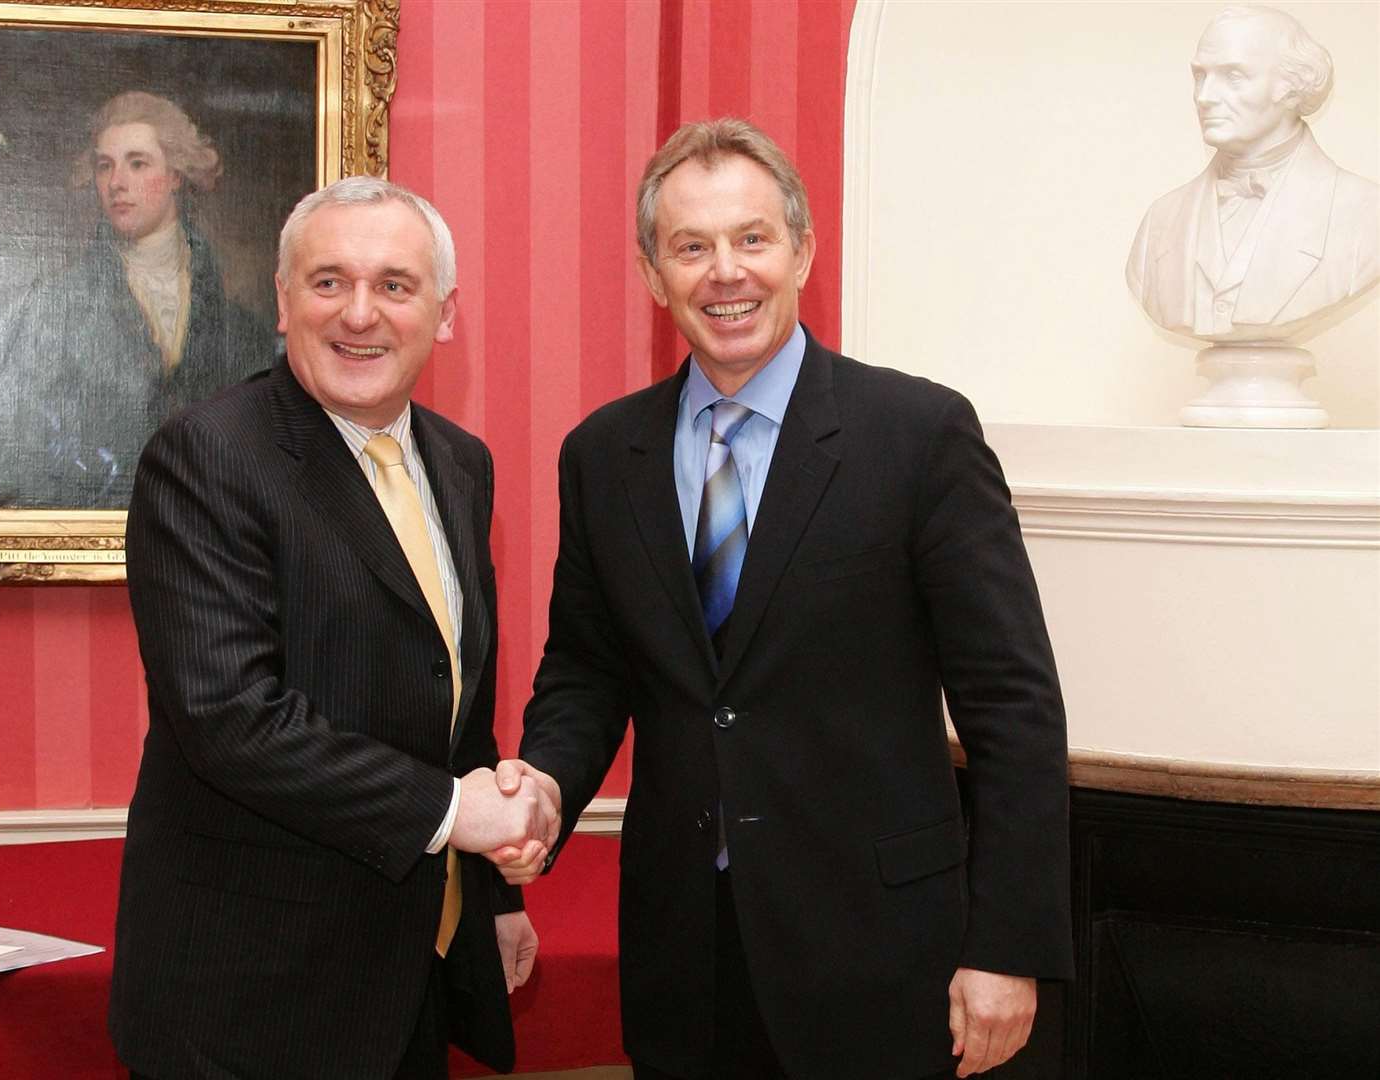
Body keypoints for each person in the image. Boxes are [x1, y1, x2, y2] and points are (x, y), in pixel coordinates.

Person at [490, 119, 1072, 1079]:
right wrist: (546, 786)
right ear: (652, 271)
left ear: (802, 250)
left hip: (881, 955)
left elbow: (1011, 704)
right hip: (684, 954)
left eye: (752, 239)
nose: (727, 272)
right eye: (692, 246)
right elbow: (588, 668)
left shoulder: (918, 434)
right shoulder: (604, 454)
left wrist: (1007, 946)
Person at [109, 176, 555, 1079]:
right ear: (283, 302)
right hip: (251, 1001)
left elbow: (448, 694)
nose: (361, 314)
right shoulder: (208, 457)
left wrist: (492, 894)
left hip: (409, 975)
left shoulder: (461, 465)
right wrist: (450, 811)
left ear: (444, 313)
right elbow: (228, 718)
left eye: (395, 284)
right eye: (328, 282)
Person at [0, 91, 273, 509]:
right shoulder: (52, 308)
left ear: (175, 174)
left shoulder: (240, 325)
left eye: (137, 163)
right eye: (104, 166)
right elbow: (19, 447)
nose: (117, 183)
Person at [1126, 5, 1379, 342]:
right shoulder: (1161, 220)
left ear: (1291, 87)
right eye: (1200, 76)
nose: (1204, 97)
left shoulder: (1365, 214)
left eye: (1233, 76)